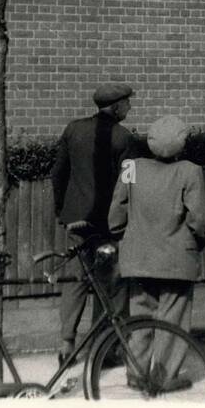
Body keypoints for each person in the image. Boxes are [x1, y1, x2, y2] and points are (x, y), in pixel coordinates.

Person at [109, 115, 205, 394]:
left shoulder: (131, 168)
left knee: (139, 317)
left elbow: (116, 217)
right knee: (172, 321)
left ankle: (137, 374)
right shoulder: (190, 171)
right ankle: (163, 378)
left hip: (138, 259)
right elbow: (198, 220)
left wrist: (124, 235)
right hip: (177, 260)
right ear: (181, 145)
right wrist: (197, 242)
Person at [51, 83, 144, 367]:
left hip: (75, 221)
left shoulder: (73, 130)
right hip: (106, 225)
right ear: (116, 106)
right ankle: (102, 348)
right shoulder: (124, 138)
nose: (129, 107)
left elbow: (58, 173)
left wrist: (62, 212)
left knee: (75, 282)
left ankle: (66, 343)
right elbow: (127, 185)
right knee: (111, 284)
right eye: (127, 103)